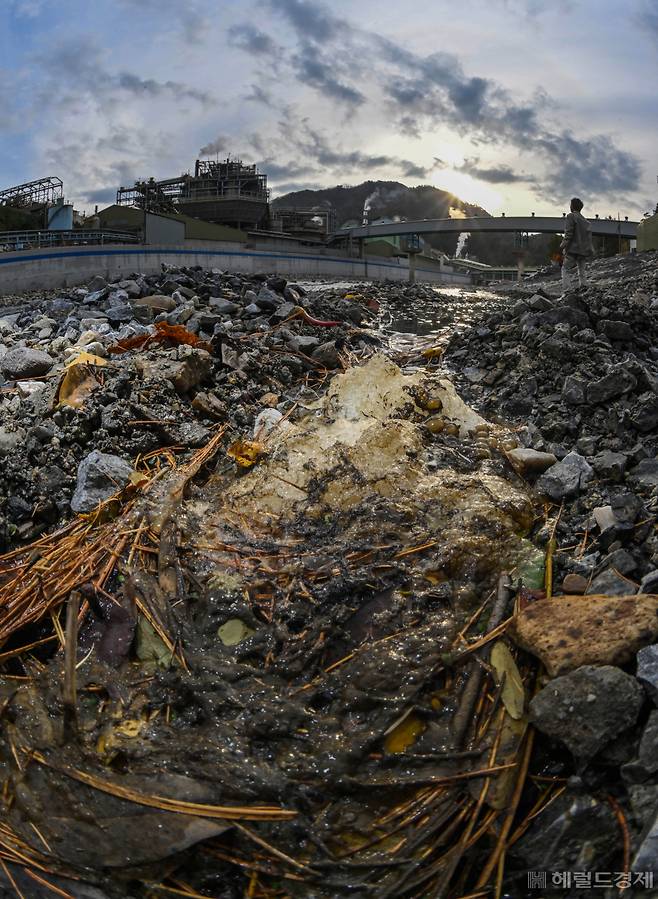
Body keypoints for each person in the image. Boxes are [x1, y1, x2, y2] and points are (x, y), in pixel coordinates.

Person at [560, 197, 593, 290]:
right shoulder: (586, 222)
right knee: (581, 270)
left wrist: (562, 246)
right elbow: (588, 238)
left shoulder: (571, 216)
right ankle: (584, 287)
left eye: (570, 205)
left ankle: (567, 290)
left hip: (573, 249)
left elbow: (568, 234)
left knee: (565, 269)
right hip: (583, 250)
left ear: (572, 206)